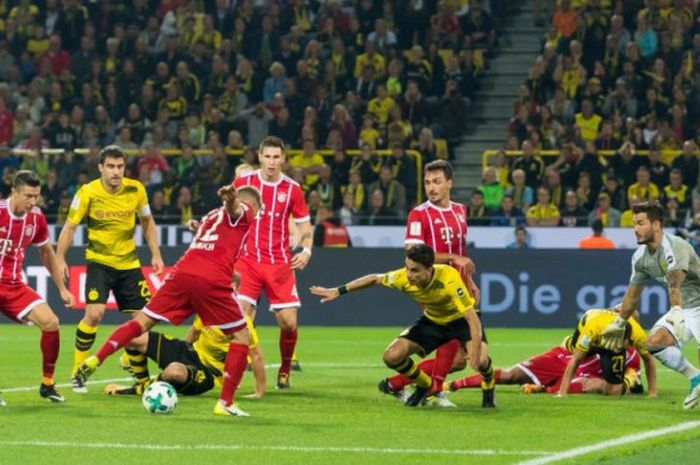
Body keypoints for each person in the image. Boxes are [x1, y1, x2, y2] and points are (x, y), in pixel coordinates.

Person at [74, 186, 261, 417]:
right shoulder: (245, 210)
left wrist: (198, 227)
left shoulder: (212, 216)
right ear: (255, 207)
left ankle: (96, 358)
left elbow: (213, 239)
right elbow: (234, 209)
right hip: (211, 278)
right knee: (241, 335)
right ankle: (225, 403)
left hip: (182, 271)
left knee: (141, 322)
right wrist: (232, 199)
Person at [310, 244, 485, 408]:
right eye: (407, 267)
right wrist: (338, 290)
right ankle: (427, 385)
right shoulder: (402, 277)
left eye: (415, 270)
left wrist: (475, 349)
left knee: (474, 362)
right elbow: (374, 279)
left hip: (458, 320)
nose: (409, 274)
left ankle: (488, 390)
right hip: (433, 321)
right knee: (391, 356)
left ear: (429, 269)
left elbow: (472, 318)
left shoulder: (449, 279)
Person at [56, 145, 164, 393]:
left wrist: (156, 253)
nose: (116, 172)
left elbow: (147, 221)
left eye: (120, 166)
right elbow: (70, 226)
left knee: (143, 323)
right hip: (99, 262)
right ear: (101, 168)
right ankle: (78, 370)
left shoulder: (136, 189)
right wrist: (60, 257)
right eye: (111, 167)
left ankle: (138, 374)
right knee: (94, 314)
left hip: (129, 264)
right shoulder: (87, 192)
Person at [402, 160, 495, 408]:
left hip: (459, 286)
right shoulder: (419, 214)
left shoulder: (461, 210)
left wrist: (470, 280)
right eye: (427, 182)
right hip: (433, 286)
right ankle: (433, 392)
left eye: (437, 181)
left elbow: (460, 251)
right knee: (451, 340)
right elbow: (412, 250)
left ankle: (400, 382)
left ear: (449, 183)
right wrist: (452, 258)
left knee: (463, 359)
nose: (431, 187)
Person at [600, 202, 700, 409]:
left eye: (641, 223)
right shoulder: (640, 258)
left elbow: (675, 282)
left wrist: (675, 310)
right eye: (634, 224)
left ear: (656, 225)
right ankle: (695, 379)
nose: (636, 229)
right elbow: (632, 296)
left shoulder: (676, 246)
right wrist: (619, 323)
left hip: (688, 304)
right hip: (685, 308)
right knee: (653, 343)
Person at [232, 136, 313, 389]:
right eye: (267, 156)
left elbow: (305, 225)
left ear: (283, 159)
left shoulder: (292, 189)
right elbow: (227, 214)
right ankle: (233, 372)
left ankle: (285, 369)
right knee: (240, 316)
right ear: (259, 157)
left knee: (289, 323)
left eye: (276, 157)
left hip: (279, 264)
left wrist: (307, 250)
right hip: (247, 262)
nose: (271, 162)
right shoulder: (244, 183)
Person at [0, 170, 75, 405]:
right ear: (14, 192)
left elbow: (46, 252)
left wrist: (62, 289)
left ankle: (47, 383)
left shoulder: (36, 218)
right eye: (28, 196)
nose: (33, 202)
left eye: (36, 196)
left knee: (51, 322)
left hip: (13, 285)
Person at [103, 314, 266, 399]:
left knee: (175, 372)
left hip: (208, 374)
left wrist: (259, 392)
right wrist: (181, 348)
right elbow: (194, 332)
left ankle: (137, 390)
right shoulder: (208, 309)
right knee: (131, 336)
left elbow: (256, 356)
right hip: (189, 351)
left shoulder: (243, 324)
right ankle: (143, 382)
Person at [447, 334, 644, 396]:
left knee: (599, 385)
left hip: (583, 376)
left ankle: (544, 389)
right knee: (510, 376)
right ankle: (454, 385)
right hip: (560, 360)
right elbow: (568, 343)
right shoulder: (596, 327)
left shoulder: (632, 355)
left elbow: (631, 380)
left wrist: (630, 383)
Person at [558, 308, 657, 397]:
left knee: (614, 391)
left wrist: (652, 392)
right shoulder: (592, 329)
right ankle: (570, 342)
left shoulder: (638, 335)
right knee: (576, 351)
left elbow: (648, 359)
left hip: (607, 332)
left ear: (628, 340)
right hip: (591, 325)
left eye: (621, 345)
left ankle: (629, 380)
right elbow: (576, 359)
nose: (617, 347)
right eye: (616, 344)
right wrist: (562, 393)